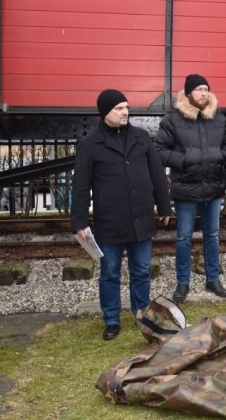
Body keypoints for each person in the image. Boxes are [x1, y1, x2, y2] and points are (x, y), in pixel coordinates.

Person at [71, 89, 172, 341]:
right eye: (118, 108)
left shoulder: (141, 138)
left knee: (141, 272)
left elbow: (157, 175)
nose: (125, 112)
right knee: (110, 273)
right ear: (105, 112)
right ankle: (112, 320)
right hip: (109, 222)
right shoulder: (90, 145)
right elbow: (81, 186)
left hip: (141, 219)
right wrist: (79, 222)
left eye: (126, 107)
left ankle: (141, 315)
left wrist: (165, 206)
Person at [154, 74, 226, 303]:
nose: (203, 93)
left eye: (206, 89)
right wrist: (184, 159)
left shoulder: (218, 118)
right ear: (188, 92)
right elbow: (158, 149)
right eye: (199, 89)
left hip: (213, 188)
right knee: (183, 238)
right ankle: (182, 283)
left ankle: (213, 279)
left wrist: (221, 155)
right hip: (186, 190)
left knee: (212, 236)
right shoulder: (173, 119)